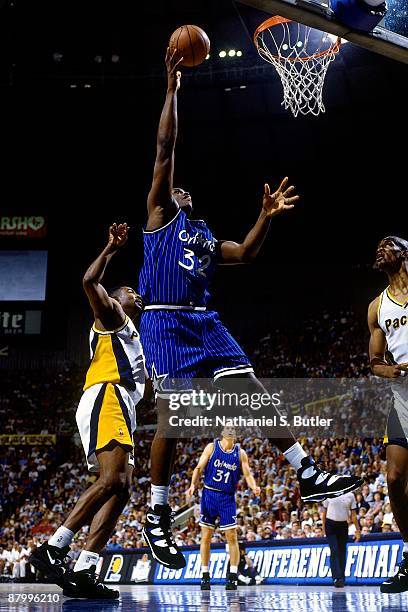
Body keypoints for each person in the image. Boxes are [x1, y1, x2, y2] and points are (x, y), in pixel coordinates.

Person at [139, 47, 363, 570]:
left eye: (184, 189)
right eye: (176, 187)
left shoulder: (203, 233)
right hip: (165, 320)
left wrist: (265, 217)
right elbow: (166, 147)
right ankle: (157, 511)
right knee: (174, 416)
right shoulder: (158, 217)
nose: (182, 189)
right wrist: (172, 88)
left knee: (252, 390)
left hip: (203, 320)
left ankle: (305, 470)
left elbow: (242, 254)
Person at [29, 223, 148, 599]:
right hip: (106, 396)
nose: (137, 295)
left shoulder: (134, 334)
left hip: (122, 404)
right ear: (116, 298)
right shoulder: (112, 316)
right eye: (131, 291)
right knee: (113, 480)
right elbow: (88, 280)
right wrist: (110, 249)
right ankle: (54, 548)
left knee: (123, 487)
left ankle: (85, 569)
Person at [368, 235, 408, 593]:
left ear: (405, 252)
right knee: (394, 478)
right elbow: (375, 364)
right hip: (402, 396)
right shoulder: (377, 306)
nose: (379, 249)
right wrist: (393, 371)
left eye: (387, 244)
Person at [186, 426, 260, 590]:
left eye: (233, 428)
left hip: (227, 497)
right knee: (206, 536)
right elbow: (199, 467)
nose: (231, 430)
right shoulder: (212, 447)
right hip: (209, 494)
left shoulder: (240, 453)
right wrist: (193, 485)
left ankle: (232, 576)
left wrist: (254, 487)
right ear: (222, 432)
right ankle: (205, 575)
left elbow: (247, 474)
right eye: (228, 428)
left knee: (232, 537)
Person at [322, 492, 361, 587]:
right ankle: (336, 578)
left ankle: (342, 578)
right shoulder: (329, 492)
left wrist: (358, 530)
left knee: (342, 551)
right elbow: (324, 512)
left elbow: (353, 515)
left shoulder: (351, 495)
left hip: (343, 525)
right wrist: (323, 528)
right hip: (330, 524)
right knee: (334, 550)